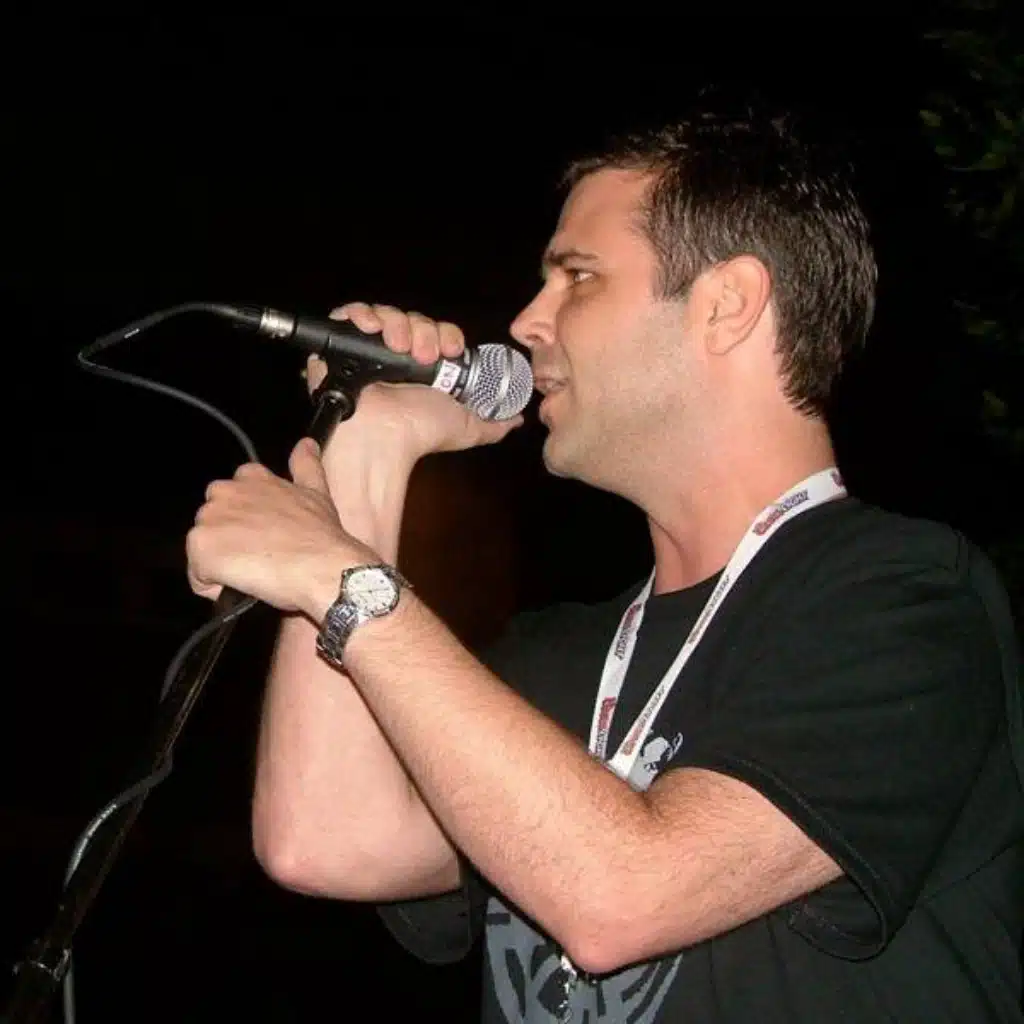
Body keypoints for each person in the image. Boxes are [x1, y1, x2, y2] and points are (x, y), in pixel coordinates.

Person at [185, 96, 1024, 1022]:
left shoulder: (904, 601)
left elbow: (624, 894)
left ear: (727, 305)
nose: (526, 321)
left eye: (577, 278)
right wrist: (369, 452)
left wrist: (339, 580)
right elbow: (326, 839)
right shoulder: (552, 658)